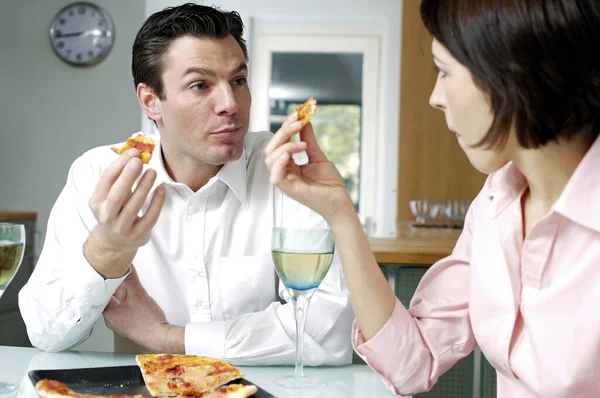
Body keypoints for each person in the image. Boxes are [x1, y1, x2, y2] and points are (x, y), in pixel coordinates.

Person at [264, 0, 600, 396]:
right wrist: (339, 212)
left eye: (443, 72)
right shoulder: (496, 202)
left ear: (515, 73)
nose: (435, 98)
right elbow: (411, 362)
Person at [18, 3, 353, 366]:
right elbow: (45, 334)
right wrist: (106, 251)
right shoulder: (98, 173)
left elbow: (330, 333)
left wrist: (167, 337)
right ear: (151, 101)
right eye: (200, 85)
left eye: (238, 80)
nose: (230, 103)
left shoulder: (285, 173)